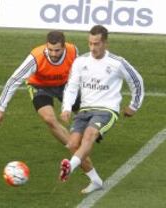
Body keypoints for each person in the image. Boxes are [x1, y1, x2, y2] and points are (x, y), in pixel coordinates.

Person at [0, 31, 103, 193]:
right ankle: (73, 146)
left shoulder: (73, 51)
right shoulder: (36, 57)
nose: (53, 53)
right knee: (49, 119)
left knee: (86, 112)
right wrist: (0, 108)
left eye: (57, 50)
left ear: (63, 47)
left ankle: (91, 131)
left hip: (65, 85)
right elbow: (14, 80)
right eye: (50, 50)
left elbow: (81, 72)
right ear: (46, 46)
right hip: (40, 87)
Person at [59, 25, 144, 193]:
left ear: (105, 43)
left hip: (107, 109)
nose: (92, 48)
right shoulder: (81, 61)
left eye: (96, 44)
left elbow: (137, 81)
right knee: (72, 144)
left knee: (90, 135)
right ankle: (95, 180)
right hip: (85, 110)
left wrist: (134, 105)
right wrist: (66, 108)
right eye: (90, 43)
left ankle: (70, 166)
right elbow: (71, 87)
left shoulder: (117, 62)